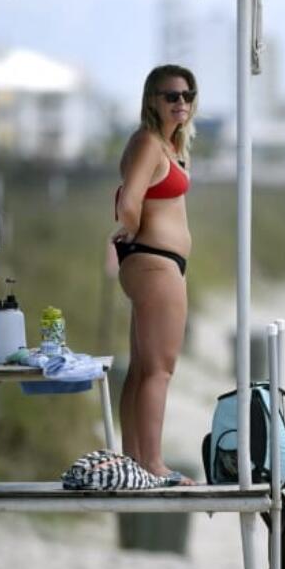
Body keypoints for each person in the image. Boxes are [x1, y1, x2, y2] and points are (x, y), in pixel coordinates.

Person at [110, 65, 199, 485]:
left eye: (187, 94)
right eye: (171, 95)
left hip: (155, 262)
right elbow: (129, 198)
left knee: (144, 367)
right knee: (160, 369)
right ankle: (153, 465)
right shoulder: (148, 142)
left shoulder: (168, 143)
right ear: (152, 100)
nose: (181, 101)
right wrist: (127, 227)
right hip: (154, 261)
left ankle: (133, 461)